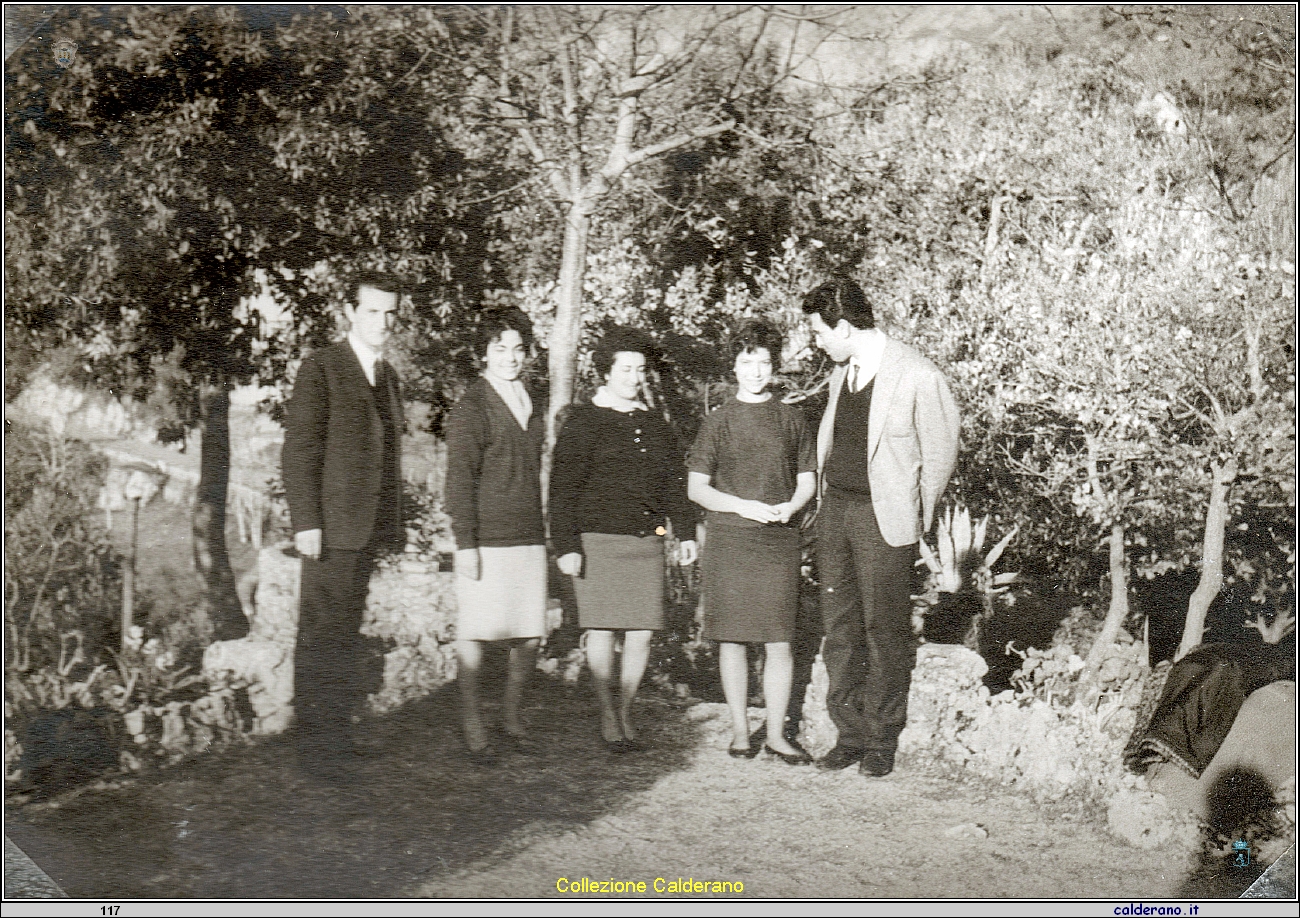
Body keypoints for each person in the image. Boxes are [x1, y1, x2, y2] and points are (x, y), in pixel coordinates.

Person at [801, 277, 959, 777]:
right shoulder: (838, 375)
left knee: (883, 630)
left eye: (819, 331)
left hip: (882, 521)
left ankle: (879, 740)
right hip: (836, 515)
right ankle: (848, 734)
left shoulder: (917, 375)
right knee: (840, 628)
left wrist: (913, 516)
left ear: (844, 326)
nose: (817, 340)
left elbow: (940, 456)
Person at [549, 327, 697, 751]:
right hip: (596, 542)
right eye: (625, 368)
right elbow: (561, 489)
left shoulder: (655, 424)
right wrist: (567, 546)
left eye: (640, 369)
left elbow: (674, 484)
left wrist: (684, 531)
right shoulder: (582, 421)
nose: (634, 376)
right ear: (605, 371)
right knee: (600, 631)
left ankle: (626, 709)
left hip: (644, 542)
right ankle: (607, 714)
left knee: (642, 633)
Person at [281, 270, 404, 777]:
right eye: (372, 310)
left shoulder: (387, 375)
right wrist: (306, 522)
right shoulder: (323, 367)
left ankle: (335, 736)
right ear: (349, 312)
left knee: (345, 634)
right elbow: (300, 449)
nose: (382, 321)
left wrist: (391, 525)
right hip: (330, 529)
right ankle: (313, 749)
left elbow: (388, 454)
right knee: (321, 635)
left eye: (390, 312)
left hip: (365, 527)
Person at [687, 319, 817, 764]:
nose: (756, 371)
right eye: (747, 361)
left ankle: (778, 735)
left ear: (774, 366)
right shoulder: (718, 422)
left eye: (763, 362)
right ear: (734, 366)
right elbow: (697, 489)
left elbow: (807, 480)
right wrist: (743, 507)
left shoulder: (792, 419)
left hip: (778, 540)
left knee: (779, 640)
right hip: (731, 540)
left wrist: (792, 507)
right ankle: (741, 731)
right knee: (733, 639)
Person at [443, 308, 546, 762]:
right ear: (483, 353)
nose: (509, 357)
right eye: (499, 348)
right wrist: (465, 544)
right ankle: (471, 723)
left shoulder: (531, 399)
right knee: (477, 632)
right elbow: (458, 481)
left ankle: (509, 716)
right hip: (486, 538)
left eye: (517, 349)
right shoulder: (473, 406)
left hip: (528, 533)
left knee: (529, 634)